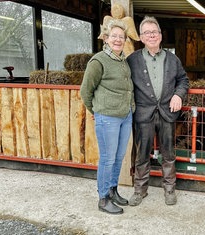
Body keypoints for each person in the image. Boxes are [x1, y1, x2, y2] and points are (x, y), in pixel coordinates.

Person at [127, 16, 189, 206]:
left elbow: (183, 80)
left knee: (168, 154)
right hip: (143, 114)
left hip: (167, 112)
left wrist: (178, 95)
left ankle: (170, 189)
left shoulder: (172, 59)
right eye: (147, 33)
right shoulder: (132, 60)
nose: (151, 35)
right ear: (141, 37)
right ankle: (140, 190)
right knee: (142, 154)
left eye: (154, 32)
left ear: (160, 35)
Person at [80, 19, 135, 214]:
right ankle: (103, 198)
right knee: (107, 158)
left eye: (121, 37)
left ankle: (113, 191)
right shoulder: (98, 61)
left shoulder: (123, 61)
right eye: (114, 36)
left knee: (119, 157)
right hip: (108, 117)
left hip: (125, 116)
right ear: (106, 38)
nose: (118, 40)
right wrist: (96, 111)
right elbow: (85, 91)